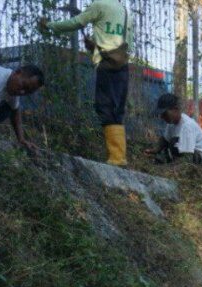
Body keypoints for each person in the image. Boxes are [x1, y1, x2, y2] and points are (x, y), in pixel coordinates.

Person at [40, 0, 131, 164]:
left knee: (105, 107)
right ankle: (119, 157)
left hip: (106, 66)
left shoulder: (99, 4)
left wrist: (50, 26)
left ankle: (117, 159)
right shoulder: (124, 11)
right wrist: (95, 47)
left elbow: (76, 22)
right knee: (116, 110)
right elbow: (124, 42)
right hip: (122, 66)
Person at [146, 93, 202, 178]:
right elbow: (165, 139)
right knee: (172, 143)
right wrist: (155, 150)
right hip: (196, 158)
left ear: (175, 109)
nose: (162, 117)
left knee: (174, 143)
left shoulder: (187, 126)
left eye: (164, 113)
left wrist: (168, 170)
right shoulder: (171, 123)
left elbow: (187, 158)